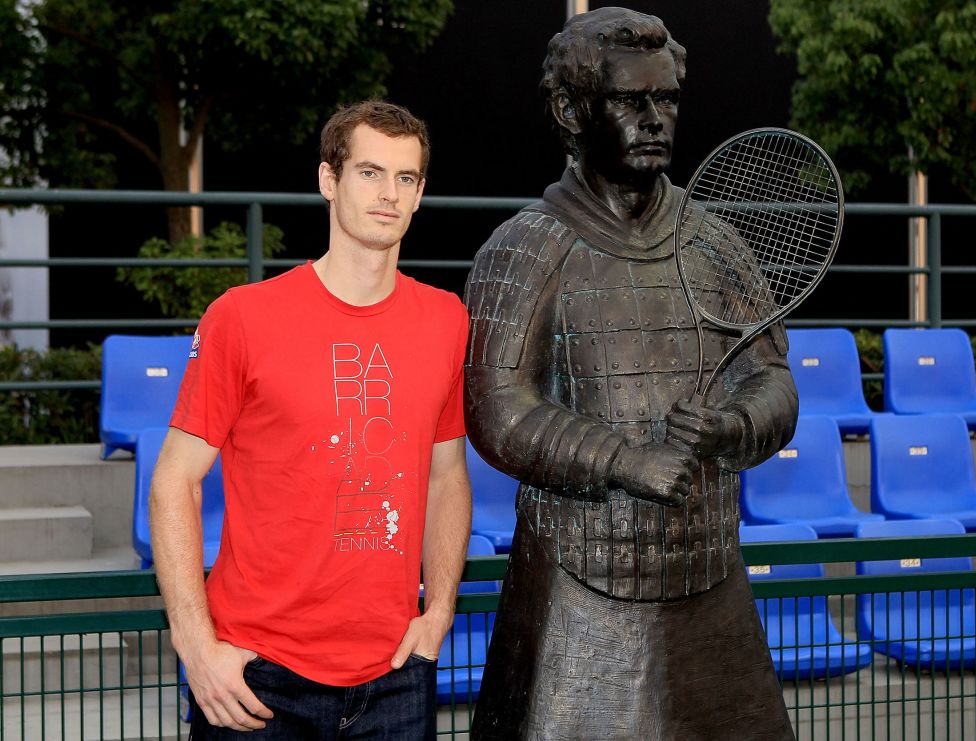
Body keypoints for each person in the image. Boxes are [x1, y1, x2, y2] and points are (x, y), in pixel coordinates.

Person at [464, 8, 797, 739]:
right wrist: (625, 461)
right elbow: (497, 411)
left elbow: (774, 382)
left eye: (667, 99)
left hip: (710, 574)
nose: (655, 118)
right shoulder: (521, 248)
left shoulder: (716, 242)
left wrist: (732, 425)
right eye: (628, 100)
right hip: (578, 585)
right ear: (570, 109)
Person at [150, 100, 472, 739]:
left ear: (420, 194)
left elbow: (446, 476)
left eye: (405, 179)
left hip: (397, 674)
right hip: (258, 677)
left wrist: (438, 613)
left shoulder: (445, 321)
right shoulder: (242, 318)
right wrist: (196, 647)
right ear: (329, 180)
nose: (388, 194)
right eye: (369, 173)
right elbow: (172, 483)